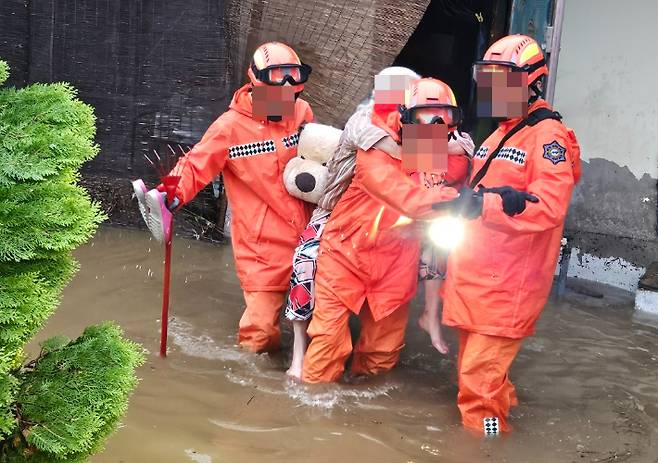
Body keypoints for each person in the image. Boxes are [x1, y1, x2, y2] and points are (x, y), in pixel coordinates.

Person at [441, 34, 581, 435]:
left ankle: (489, 444)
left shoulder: (546, 136)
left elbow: (548, 206)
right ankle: (499, 427)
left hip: (506, 287)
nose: (491, 88)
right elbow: (474, 185)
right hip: (479, 281)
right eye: (487, 78)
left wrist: (485, 204)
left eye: (502, 79)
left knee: (477, 394)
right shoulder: (500, 133)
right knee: (480, 379)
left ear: (532, 82)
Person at [302, 78, 476, 384]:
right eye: (424, 122)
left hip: (397, 262)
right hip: (346, 254)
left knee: (382, 353)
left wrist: (478, 194)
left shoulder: (447, 155)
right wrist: (459, 202)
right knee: (328, 344)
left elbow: (464, 167)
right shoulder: (373, 147)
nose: (433, 133)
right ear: (405, 117)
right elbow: (403, 196)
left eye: (443, 125)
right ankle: (310, 407)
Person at [147, 42, 314, 353]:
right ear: (256, 84)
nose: (286, 101)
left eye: (293, 94)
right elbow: (195, 164)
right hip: (261, 244)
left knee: (321, 323)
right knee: (261, 332)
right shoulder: (230, 127)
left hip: (306, 235)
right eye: (279, 93)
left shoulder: (302, 113)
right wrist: (170, 194)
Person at [285, 66, 420, 379]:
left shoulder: (418, 128)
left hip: (390, 230)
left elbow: (463, 146)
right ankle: (298, 354)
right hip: (333, 218)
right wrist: (435, 144)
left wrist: (438, 137)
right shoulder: (364, 120)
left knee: (430, 263)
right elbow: (394, 149)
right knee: (305, 264)